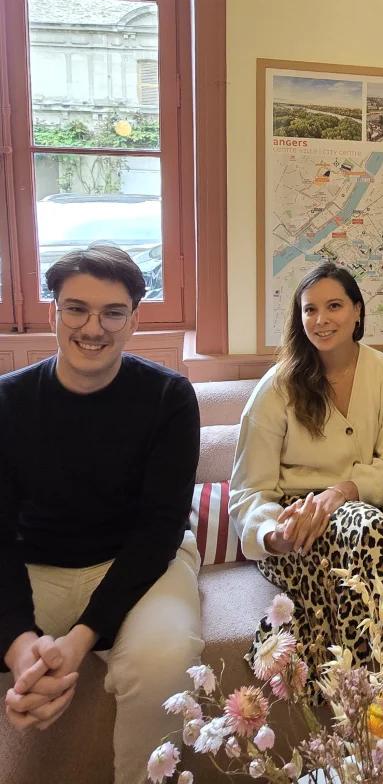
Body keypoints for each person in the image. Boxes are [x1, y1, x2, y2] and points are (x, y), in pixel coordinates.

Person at [0, 244, 203, 784]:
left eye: (113, 312)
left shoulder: (170, 398)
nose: (94, 327)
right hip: (38, 562)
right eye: (76, 308)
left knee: (163, 656)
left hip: (144, 562)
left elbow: (158, 529)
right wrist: (20, 645)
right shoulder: (8, 402)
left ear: (134, 319)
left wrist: (83, 635)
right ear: (54, 312)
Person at [229, 262, 383, 699]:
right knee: (375, 542)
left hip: (367, 513)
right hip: (294, 526)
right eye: (309, 309)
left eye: (334, 306)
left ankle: (352, 711)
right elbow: (248, 488)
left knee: (367, 529)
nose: (321, 319)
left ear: (357, 311)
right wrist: (274, 534)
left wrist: (340, 494)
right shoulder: (277, 387)